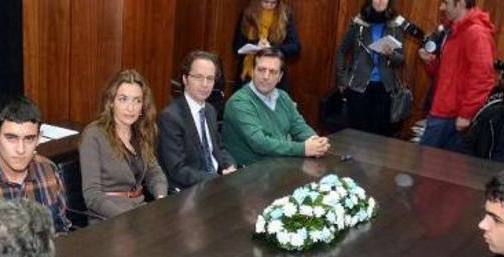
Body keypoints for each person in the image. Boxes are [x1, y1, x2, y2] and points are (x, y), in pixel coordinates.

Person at [0, 96, 72, 232]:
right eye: (11, 138)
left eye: (29, 139)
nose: (21, 149)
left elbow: (62, 229)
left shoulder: (48, 170)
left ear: (39, 138)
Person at [79, 69, 168, 220]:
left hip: (139, 213)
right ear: (111, 102)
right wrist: (127, 218)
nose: (130, 108)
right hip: (108, 219)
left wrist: (160, 198)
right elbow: (92, 196)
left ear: (143, 107)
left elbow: (155, 173)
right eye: (123, 99)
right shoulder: (93, 135)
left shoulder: (140, 131)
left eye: (137, 100)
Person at [222, 48, 329, 166]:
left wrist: (316, 142)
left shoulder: (283, 97)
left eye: (272, 72)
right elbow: (259, 143)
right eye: (261, 70)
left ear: (280, 77)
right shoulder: (239, 102)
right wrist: (303, 148)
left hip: (279, 165)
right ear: (252, 71)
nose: (266, 76)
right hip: (249, 173)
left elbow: (299, 127)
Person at [418, 0, 496, 151]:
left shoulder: (476, 33)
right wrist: (431, 62)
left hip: (452, 116)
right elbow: (446, 73)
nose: (442, 7)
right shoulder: (453, 30)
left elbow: (484, 78)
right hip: (442, 111)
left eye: (446, 3)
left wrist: (466, 114)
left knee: (430, 166)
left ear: (459, 3)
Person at [158, 51, 237, 190]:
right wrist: (217, 179)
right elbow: (178, 170)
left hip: (217, 184)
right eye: (198, 77)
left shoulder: (210, 110)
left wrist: (230, 166)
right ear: (185, 79)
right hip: (188, 191)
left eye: (210, 78)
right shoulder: (170, 117)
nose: (205, 84)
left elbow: (219, 148)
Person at [335, 0, 406, 136]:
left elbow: (400, 60)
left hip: (384, 90)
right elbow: (341, 51)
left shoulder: (395, 25)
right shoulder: (359, 23)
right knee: (356, 136)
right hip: (358, 88)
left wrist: (391, 54)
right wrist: (342, 79)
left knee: (380, 138)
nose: (380, 1)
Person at [234, 0, 301, 90]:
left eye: (273, 3)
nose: (269, 5)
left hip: (274, 75)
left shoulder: (285, 15)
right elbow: (237, 46)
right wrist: (256, 45)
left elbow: (295, 47)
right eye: (265, 2)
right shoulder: (247, 14)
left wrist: (272, 48)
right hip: (248, 74)